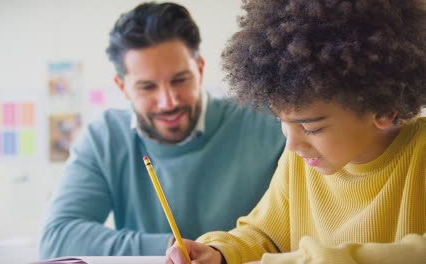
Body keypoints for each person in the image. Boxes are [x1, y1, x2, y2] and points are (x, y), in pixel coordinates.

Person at [165, 0, 426, 263]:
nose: (292, 144)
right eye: (282, 121)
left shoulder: (420, 153)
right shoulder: (302, 161)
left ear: (384, 108)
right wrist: (219, 253)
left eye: (311, 127)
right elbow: (263, 234)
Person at [38, 2, 286, 259]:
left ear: (200, 70)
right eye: (147, 87)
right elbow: (57, 240)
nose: (169, 102)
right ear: (122, 87)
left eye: (180, 80)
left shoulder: (271, 124)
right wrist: (175, 249)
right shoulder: (105, 138)